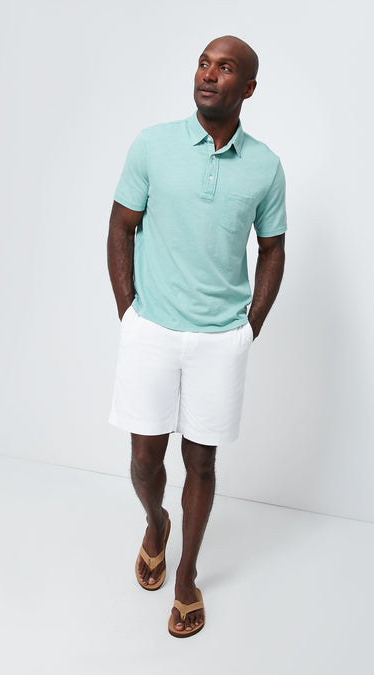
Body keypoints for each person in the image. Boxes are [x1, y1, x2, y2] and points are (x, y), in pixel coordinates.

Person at [107, 35, 287, 638]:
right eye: (204, 63)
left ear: (248, 88)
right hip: (152, 329)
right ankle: (156, 522)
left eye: (225, 67)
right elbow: (121, 226)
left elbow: (272, 249)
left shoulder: (265, 165)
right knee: (143, 461)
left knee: (202, 464)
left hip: (219, 341)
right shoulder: (152, 144)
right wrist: (129, 312)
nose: (209, 74)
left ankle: (186, 575)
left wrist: (249, 328)